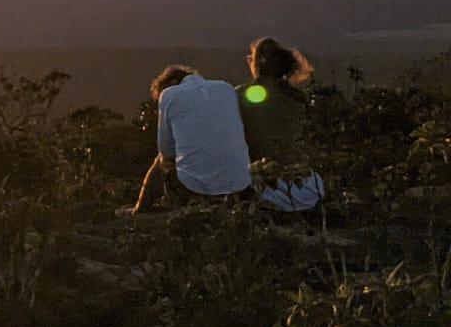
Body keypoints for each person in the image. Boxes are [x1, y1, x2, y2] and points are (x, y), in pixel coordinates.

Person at [126, 64, 252, 214]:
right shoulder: (225, 88)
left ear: (171, 84)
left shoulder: (169, 95)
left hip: (192, 189)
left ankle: (140, 209)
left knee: (160, 161)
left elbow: (166, 151)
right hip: (239, 185)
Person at [237, 37, 323, 213]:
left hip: (268, 188)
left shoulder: (240, 96)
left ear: (256, 63)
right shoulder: (298, 99)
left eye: (251, 58)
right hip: (309, 189)